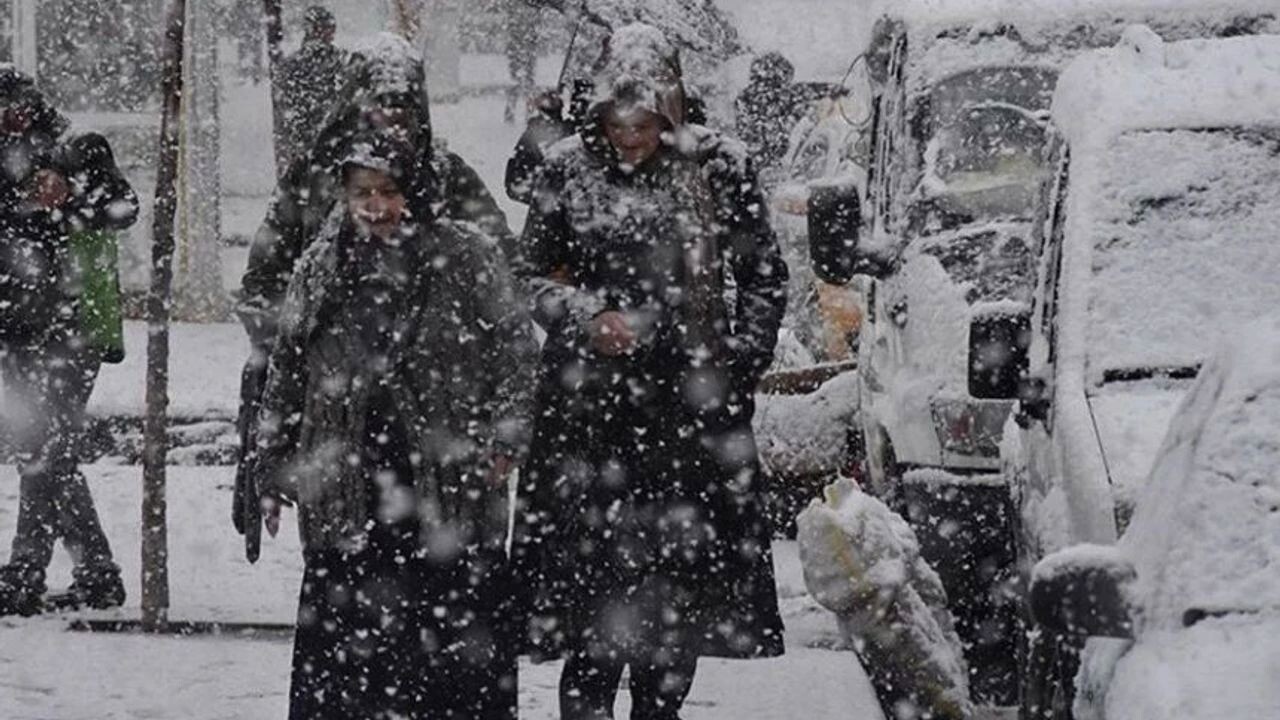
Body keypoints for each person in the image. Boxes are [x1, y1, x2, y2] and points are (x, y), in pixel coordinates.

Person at [511, 23, 789, 720]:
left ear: (671, 109)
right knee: (591, 608)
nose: (630, 139)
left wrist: (736, 365)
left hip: (689, 421)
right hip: (587, 418)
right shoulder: (568, 168)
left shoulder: (718, 166)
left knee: (675, 609)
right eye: (617, 124)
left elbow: (763, 276)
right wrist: (586, 315)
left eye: (644, 124)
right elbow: (527, 275)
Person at [252, 132, 538, 720]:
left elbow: (516, 350)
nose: (376, 206)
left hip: (448, 481)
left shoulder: (467, 255)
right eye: (363, 192)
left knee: (453, 654)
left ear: (417, 191)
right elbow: (286, 368)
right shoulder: (322, 265)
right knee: (350, 660)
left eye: (389, 191)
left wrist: (507, 434)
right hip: (347, 483)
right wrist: (273, 463)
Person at [233, 33, 517, 546]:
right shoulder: (313, 178)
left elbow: (504, 280)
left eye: (403, 112)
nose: (391, 124)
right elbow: (263, 285)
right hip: (339, 424)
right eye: (378, 110)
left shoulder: (449, 178)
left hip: (437, 423)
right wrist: (312, 353)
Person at [0, 67, 139, 616]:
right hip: (13, 326)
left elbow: (124, 207)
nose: (8, 119)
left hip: (73, 325)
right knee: (39, 450)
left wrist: (67, 198)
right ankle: (95, 574)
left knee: (47, 450)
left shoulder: (78, 146)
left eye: (13, 107)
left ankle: (26, 573)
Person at [276, 5, 350, 174]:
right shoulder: (341, 60)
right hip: (329, 142)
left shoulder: (291, 64)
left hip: (308, 143)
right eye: (328, 27)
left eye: (332, 27)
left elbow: (286, 110)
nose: (332, 32)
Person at [734, 51, 803, 174]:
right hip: (769, 158)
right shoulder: (787, 96)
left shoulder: (744, 97)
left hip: (756, 158)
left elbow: (743, 130)